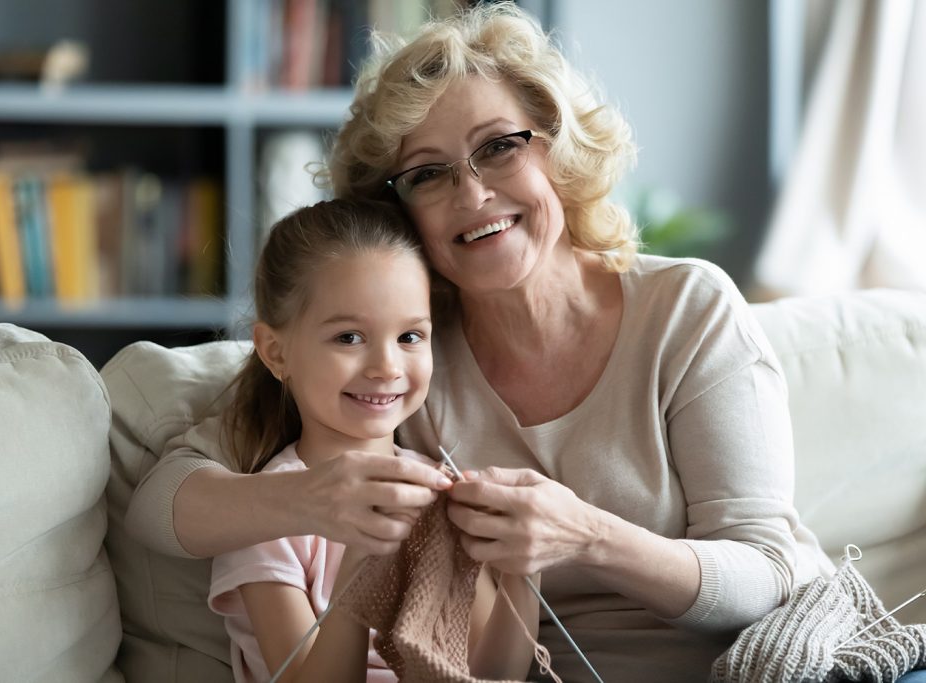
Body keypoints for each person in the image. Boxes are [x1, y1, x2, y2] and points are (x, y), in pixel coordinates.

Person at [124, 4, 895, 681]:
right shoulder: (405, 359)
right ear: (400, 216)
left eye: (500, 146)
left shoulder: (685, 309)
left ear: (556, 147)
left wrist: (588, 534)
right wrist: (309, 498)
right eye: (427, 174)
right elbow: (158, 504)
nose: (472, 192)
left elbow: (764, 571)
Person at [204, 198, 539, 682]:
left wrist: (524, 571)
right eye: (349, 338)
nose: (387, 367)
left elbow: (491, 673)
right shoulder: (268, 519)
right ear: (277, 353)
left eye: (409, 337)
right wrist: (360, 570)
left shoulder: (437, 492)